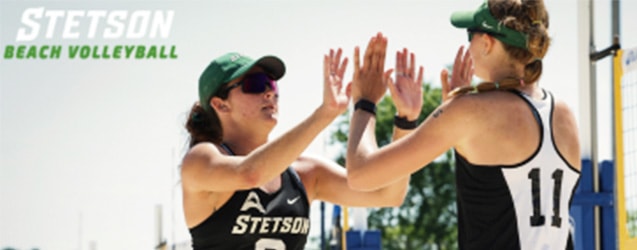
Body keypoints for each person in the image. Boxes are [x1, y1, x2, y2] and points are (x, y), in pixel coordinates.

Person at [345, 0, 581, 249]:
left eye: (471, 34)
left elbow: (360, 174)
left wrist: (365, 103)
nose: (468, 45)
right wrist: (454, 111)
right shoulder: (564, 116)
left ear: (488, 43)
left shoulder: (471, 112)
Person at [180, 49, 416, 250]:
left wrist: (398, 119)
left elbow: (388, 194)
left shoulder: (306, 172)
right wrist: (326, 113)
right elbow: (249, 174)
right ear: (220, 104)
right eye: (255, 85)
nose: (269, 92)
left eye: (271, 84)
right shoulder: (201, 160)